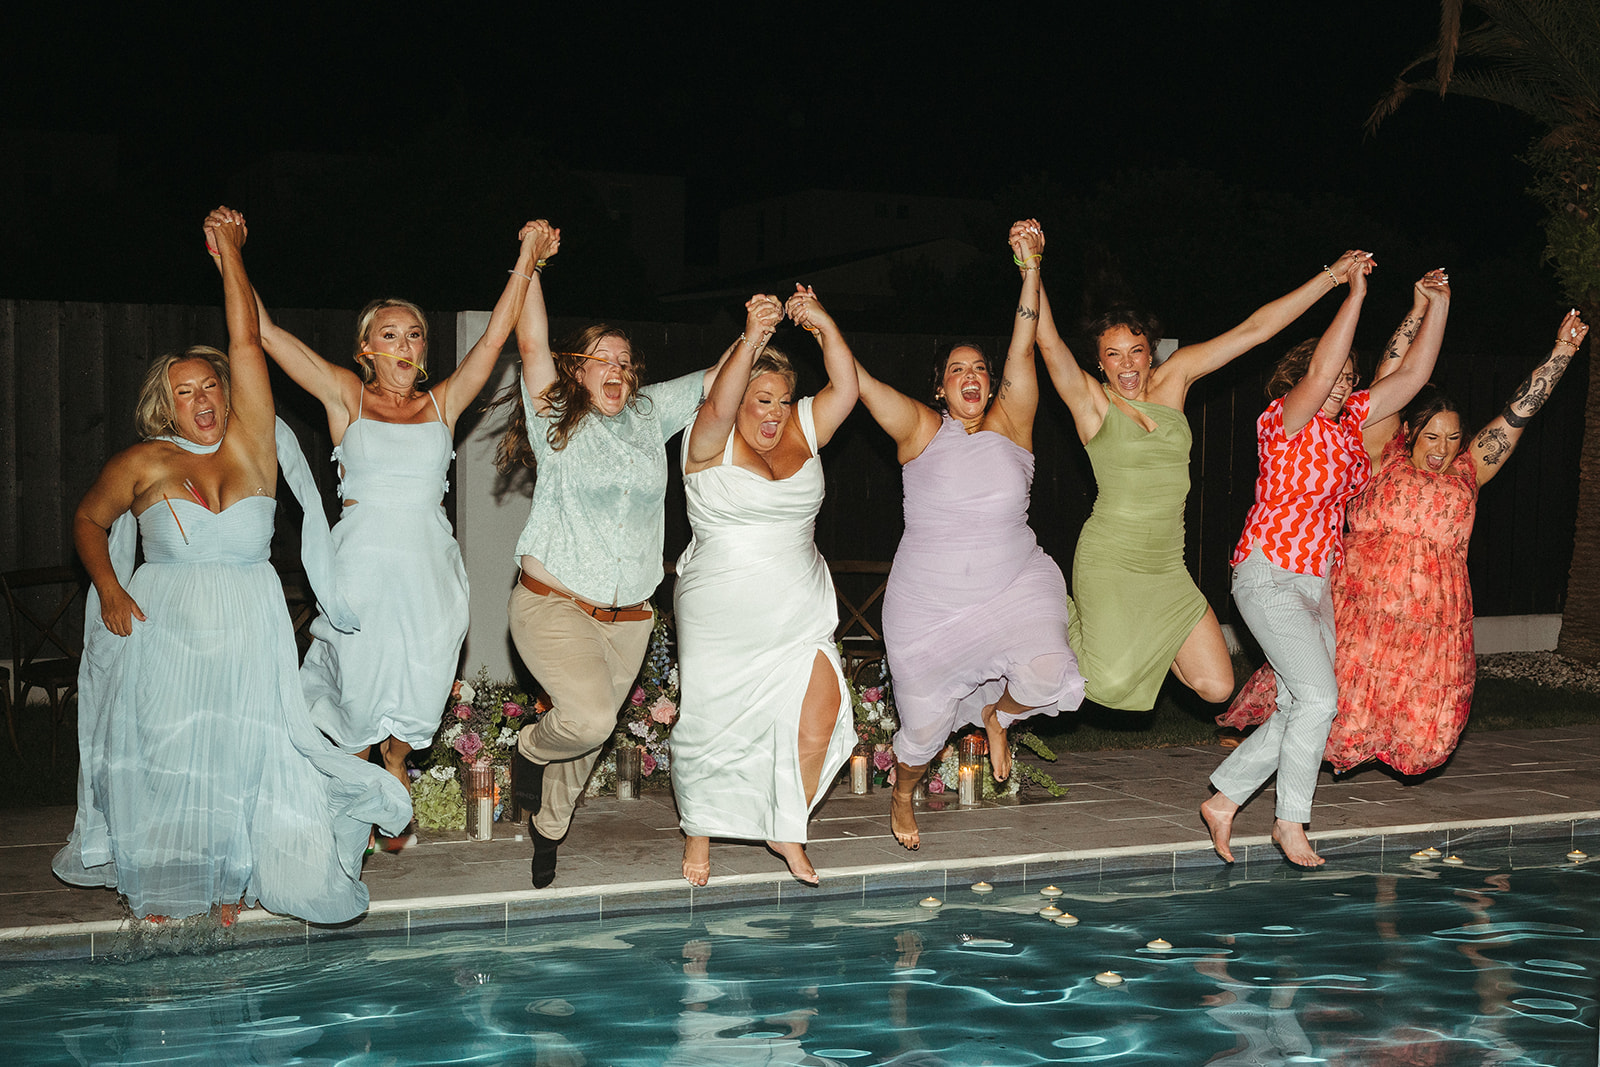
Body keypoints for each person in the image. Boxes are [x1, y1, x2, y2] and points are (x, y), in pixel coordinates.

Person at [53, 207, 410, 924]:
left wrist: (233, 254)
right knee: (166, 755)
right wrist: (110, 586)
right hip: (163, 626)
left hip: (249, 626)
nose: (202, 400)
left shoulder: (256, 449)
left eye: (209, 386)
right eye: (183, 392)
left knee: (241, 752)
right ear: (166, 405)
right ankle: (157, 886)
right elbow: (88, 520)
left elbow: (246, 337)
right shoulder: (143, 461)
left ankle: (228, 884)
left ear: (227, 391)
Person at [248, 220, 552, 804]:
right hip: (360, 567)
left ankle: (397, 758)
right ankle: (348, 804)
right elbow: (263, 332)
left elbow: (495, 337)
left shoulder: (443, 401)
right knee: (359, 697)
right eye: (390, 335)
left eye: (414, 335)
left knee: (422, 684)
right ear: (367, 349)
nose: (405, 346)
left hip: (427, 569)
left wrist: (528, 257)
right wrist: (230, 256)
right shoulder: (345, 394)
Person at [1221, 304, 1587, 775]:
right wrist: (1418, 312)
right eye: (1431, 435)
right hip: (1361, 604)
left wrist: (1562, 352)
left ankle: (1255, 794)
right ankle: (1261, 791)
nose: (1442, 447)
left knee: (1409, 711)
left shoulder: (1470, 473)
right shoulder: (1382, 458)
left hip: (1431, 617)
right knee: (1325, 697)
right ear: (1411, 432)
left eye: (1453, 437)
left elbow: (1519, 414)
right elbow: (1391, 376)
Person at [1037, 249, 1380, 711]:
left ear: (1151, 351)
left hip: (1166, 566)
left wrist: (1332, 278)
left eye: (1136, 351)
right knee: (1108, 685)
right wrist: (1030, 266)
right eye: (1113, 356)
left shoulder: (1175, 378)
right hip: (1110, 560)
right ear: (1099, 362)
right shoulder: (1091, 402)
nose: (1127, 365)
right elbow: (1049, 344)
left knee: (1217, 687)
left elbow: (1253, 331)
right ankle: (1060, 622)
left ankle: (1133, 650)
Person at [497, 224, 735, 888]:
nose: (617, 369)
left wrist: (757, 331)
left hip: (629, 617)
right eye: (603, 358)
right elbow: (530, 341)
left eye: (625, 361)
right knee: (590, 717)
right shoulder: (557, 418)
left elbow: (719, 381)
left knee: (592, 737)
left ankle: (548, 826)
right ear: (578, 368)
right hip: (552, 604)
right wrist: (533, 263)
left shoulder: (648, 416)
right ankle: (528, 747)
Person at [1200, 258, 1448, 868]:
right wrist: (1355, 292)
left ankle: (1226, 797)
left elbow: (1414, 376)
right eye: (1334, 376)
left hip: (1316, 583)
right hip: (1268, 572)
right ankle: (1291, 820)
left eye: (1349, 380)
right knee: (1319, 699)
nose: (1341, 385)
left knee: (1299, 704)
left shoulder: (1346, 430)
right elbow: (1319, 369)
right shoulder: (1284, 421)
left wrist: (1438, 303)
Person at [860, 220, 1085, 851]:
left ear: (990, 383)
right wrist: (821, 323)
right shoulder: (920, 431)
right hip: (927, 607)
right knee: (924, 730)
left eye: (979, 369)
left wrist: (1031, 266)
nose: (972, 376)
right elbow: (863, 385)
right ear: (941, 385)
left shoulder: (1014, 426)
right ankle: (904, 791)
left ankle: (998, 716)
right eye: (957, 369)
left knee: (1045, 674)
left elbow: (1024, 345)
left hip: (1013, 585)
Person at [671, 286, 860, 887]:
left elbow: (847, 390)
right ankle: (699, 830)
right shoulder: (706, 440)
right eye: (760, 398)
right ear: (736, 398)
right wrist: (752, 337)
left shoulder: (804, 427)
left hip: (799, 606)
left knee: (822, 711)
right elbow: (720, 408)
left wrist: (823, 324)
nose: (773, 410)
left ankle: (787, 823)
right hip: (721, 607)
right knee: (712, 722)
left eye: (782, 398)